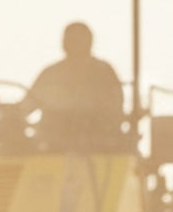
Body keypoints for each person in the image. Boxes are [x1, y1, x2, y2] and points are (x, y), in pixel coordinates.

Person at [19, 21, 125, 150]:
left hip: (98, 146)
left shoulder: (104, 72)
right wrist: (8, 112)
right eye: (69, 39)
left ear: (89, 42)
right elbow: (26, 106)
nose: (72, 44)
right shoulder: (51, 74)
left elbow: (115, 109)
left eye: (78, 40)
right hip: (51, 146)